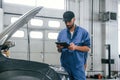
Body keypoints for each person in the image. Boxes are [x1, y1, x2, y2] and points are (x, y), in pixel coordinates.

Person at [56, 11, 90, 80]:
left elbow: (87, 48)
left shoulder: (83, 32)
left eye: (69, 21)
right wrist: (59, 48)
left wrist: (75, 47)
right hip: (65, 66)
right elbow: (59, 51)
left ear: (74, 19)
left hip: (78, 67)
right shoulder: (61, 33)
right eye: (65, 22)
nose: (67, 23)